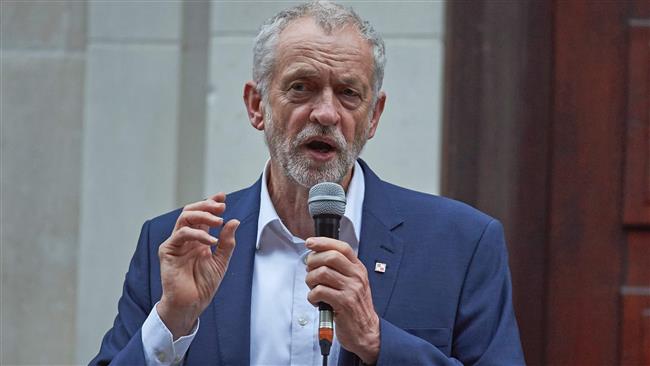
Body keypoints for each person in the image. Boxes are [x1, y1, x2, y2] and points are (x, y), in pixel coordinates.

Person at [91, 1, 525, 365]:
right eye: (302, 88)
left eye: (349, 94)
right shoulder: (179, 244)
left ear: (373, 116)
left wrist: (377, 341)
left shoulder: (460, 244)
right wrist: (170, 322)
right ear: (257, 105)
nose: (326, 113)